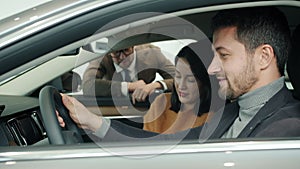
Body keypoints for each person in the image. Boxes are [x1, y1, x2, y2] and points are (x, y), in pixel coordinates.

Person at [58, 6, 300, 142]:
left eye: (223, 55)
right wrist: (93, 122)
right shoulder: (235, 110)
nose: (212, 68)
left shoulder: (287, 128)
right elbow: (173, 144)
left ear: (264, 57)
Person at [143, 43, 211, 134]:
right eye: (178, 76)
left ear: (205, 81)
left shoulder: (214, 115)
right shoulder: (161, 102)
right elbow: (147, 141)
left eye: (190, 80)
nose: (181, 85)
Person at [82, 43, 175, 103]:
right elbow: (87, 85)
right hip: (112, 107)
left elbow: (179, 78)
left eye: (126, 50)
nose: (122, 57)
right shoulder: (102, 56)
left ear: (133, 47)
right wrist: (129, 86)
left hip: (145, 107)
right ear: (109, 53)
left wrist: (154, 85)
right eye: (116, 53)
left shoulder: (152, 53)